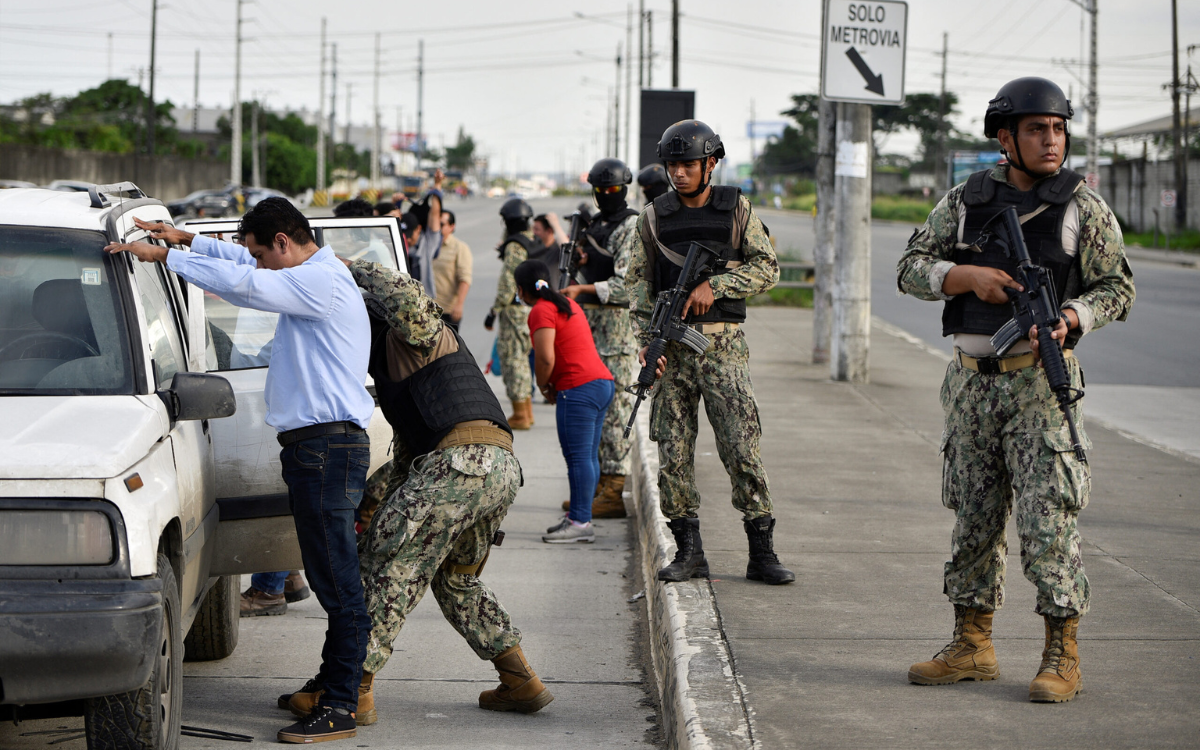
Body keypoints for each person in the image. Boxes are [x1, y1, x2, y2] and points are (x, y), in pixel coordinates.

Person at [898, 77, 1135, 703]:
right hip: (972, 386)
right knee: (973, 519)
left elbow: (1117, 286)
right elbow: (910, 267)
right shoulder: (963, 200)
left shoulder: (1084, 206)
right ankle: (971, 646)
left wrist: (1074, 317)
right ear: (1006, 138)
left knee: (1046, 521)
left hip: (1038, 385)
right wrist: (963, 275)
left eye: (1058, 128)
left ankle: (1063, 652)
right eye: (1036, 129)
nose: (1051, 140)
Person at [105, 199, 375, 743]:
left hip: (327, 449)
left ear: (282, 241)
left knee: (339, 583)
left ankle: (343, 702)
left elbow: (245, 285)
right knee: (330, 576)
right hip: (318, 448)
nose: (255, 260)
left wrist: (164, 258)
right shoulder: (305, 272)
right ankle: (330, 682)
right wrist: (185, 240)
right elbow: (248, 268)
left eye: (260, 250)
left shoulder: (317, 284)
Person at [286, 255, 554, 722]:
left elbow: (407, 294)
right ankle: (520, 679)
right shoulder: (401, 375)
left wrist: (344, 264)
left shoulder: (413, 334)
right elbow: (410, 466)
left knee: (385, 567)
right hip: (495, 470)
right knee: (455, 579)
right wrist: (367, 508)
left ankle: (354, 689)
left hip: (459, 466)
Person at [627, 120, 795, 586]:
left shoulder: (736, 209)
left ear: (711, 164)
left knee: (742, 448)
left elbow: (768, 268)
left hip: (722, 347)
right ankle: (689, 552)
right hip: (673, 350)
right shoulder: (653, 217)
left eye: (688, 165)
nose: (678, 174)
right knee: (674, 453)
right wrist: (648, 341)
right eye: (672, 166)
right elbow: (637, 287)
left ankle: (762, 551)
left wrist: (714, 286)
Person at [560, 158, 640, 519]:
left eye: (613, 190)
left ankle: (613, 489)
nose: (607, 195)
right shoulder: (597, 226)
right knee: (591, 417)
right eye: (601, 190)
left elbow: (628, 286)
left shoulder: (631, 226)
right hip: (589, 334)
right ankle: (593, 486)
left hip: (618, 336)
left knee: (616, 415)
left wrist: (583, 288)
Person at [514, 260, 614, 544]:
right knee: (588, 456)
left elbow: (545, 358)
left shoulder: (540, 311)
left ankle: (581, 523)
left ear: (521, 290)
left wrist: (544, 385)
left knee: (578, 458)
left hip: (578, 387)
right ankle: (578, 517)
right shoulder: (566, 305)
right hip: (601, 384)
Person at [485, 198, 537, 430]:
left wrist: (494, 310)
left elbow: (508, 282)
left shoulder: (515, 245)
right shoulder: (531, 241)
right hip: (528, 308)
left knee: (513, 361)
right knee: (523, 360)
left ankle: (520, 415)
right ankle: (526, 411)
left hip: (514, 311)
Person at [432, 209, 473, 330]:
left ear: (452, 226)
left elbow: (465, 278)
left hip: (447, 311)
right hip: (427, 310)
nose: (438, 228)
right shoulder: (428, 246)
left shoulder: (460, 248)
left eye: (442, 224)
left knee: (448, 348)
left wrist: (459, 305)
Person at [530, 213, 568, 289]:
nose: (534, 233)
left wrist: (556, 225)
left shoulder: (557, 249)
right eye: (533, 229)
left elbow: (567, 248)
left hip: (554, 295)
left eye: (537, 229)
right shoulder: (535, 249)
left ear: (549, 231)